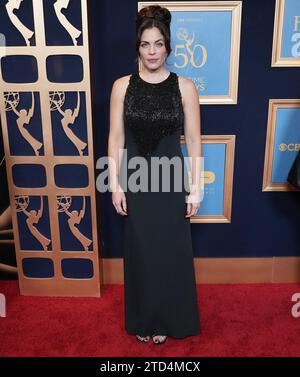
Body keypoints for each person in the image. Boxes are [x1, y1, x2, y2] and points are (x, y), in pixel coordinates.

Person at [108, 5, 202, 345]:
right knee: (142, 252)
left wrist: (195, 189)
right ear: (137, 46)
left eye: (158, 44)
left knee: (169, 251)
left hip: (171, 180)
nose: (152, 52)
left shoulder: (185, 87)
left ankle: (166, 319)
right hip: (135, 180)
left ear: (168, 46)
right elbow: (115, 138)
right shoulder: (121, 87)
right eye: (146, 44)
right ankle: (144, 319)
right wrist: (114, 184)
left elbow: (193, 140)